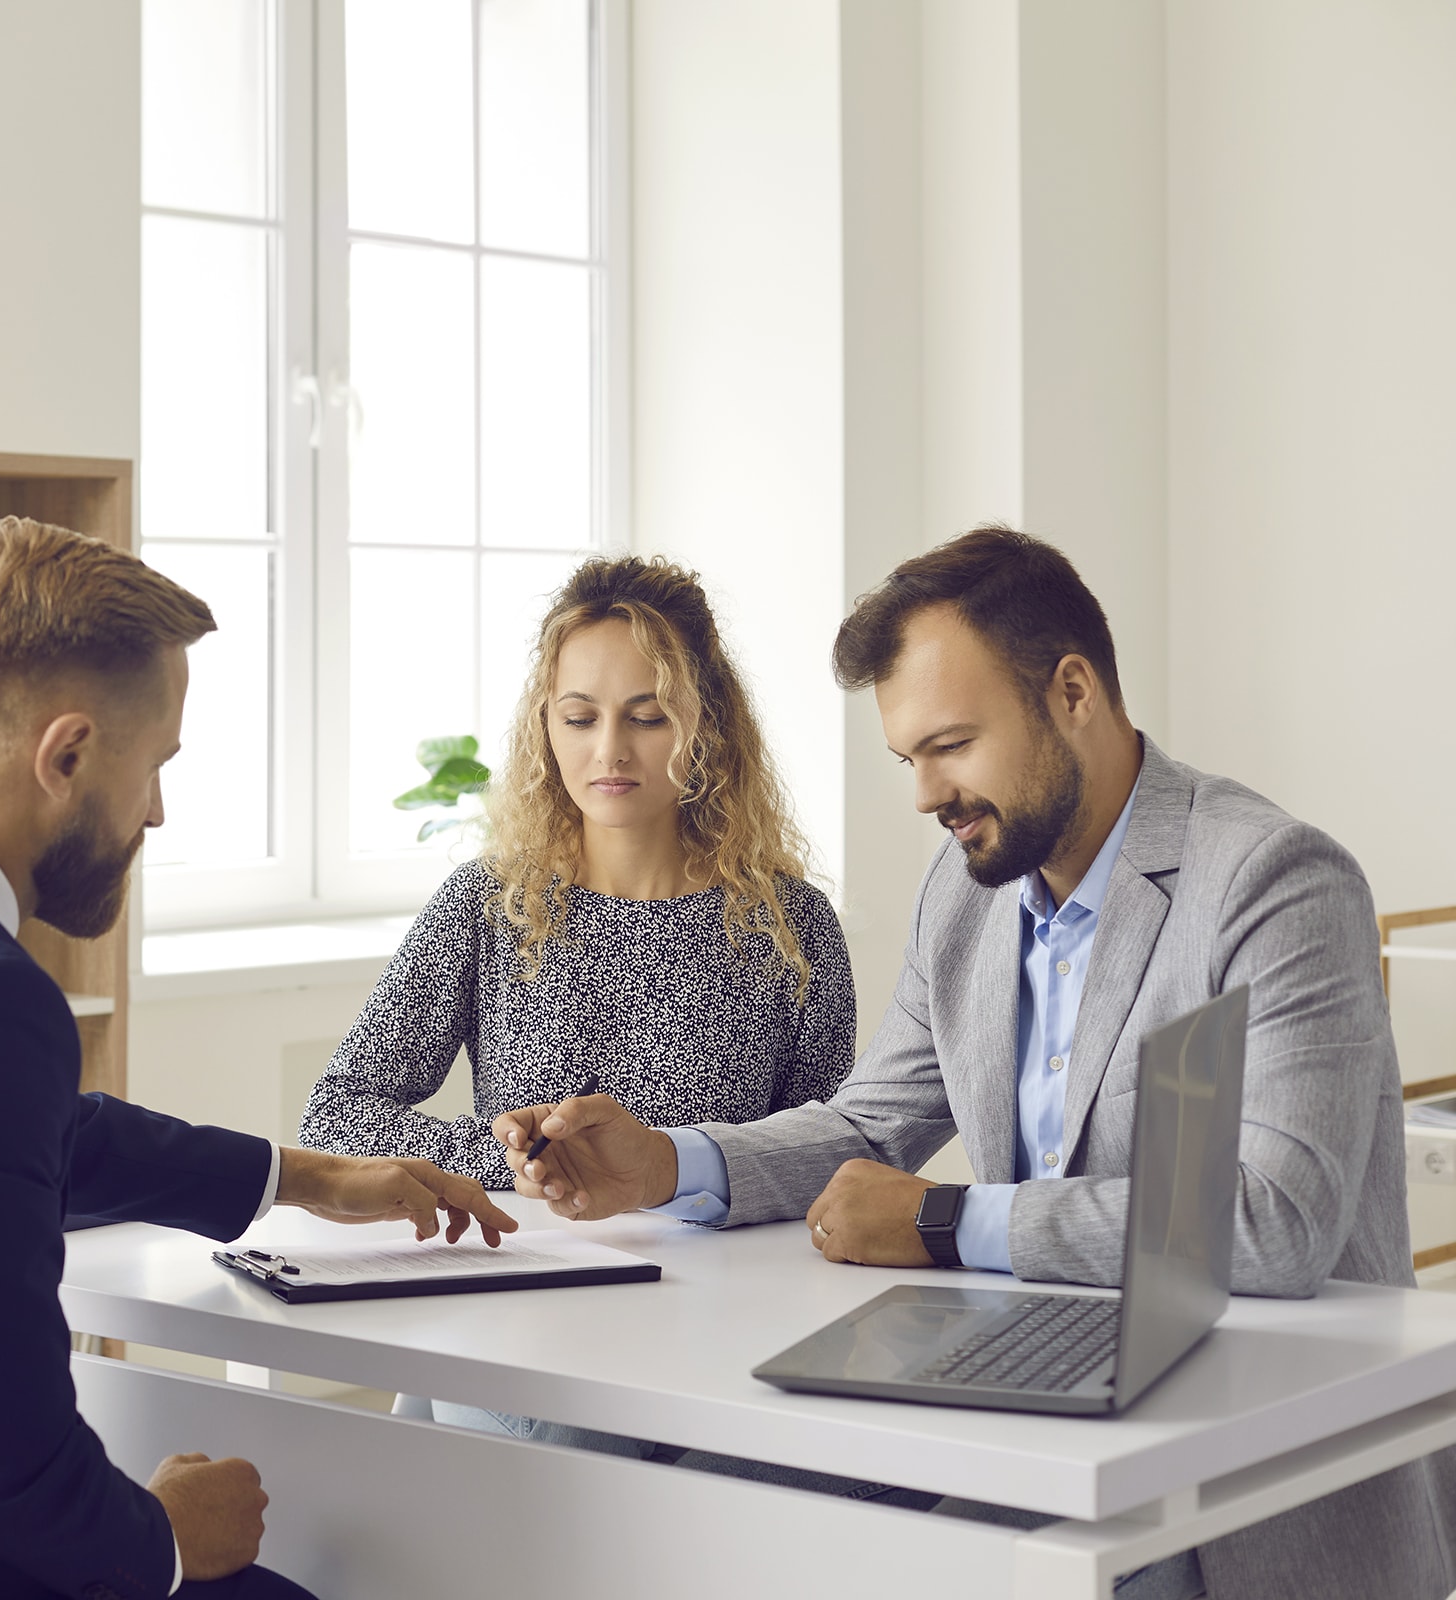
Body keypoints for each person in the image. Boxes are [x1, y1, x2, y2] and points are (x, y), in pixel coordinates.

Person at [494, 527, 1456, 1600]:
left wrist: (944, 1222)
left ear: (1073, 692)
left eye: (950, 744)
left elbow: (1275, 1220)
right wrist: (664, 1166)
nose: (923, 793)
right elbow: (864, 1127)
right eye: (908, 757)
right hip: (1030, 1394)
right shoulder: (965, 896)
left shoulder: (1273, 881)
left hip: (1247, 1471)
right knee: (707, 1511)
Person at [0, 518, 518, 1600]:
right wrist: (163, 1534)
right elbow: (1, 1477)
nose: (156, 811)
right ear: (66, 754)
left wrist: (303, 1176)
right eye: (154, 765)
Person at [298, 553, 855, 1458]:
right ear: (544, 730)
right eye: (580, 717)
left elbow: (821, 1159)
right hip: (527, 1312)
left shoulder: (792, 928)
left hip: (716, 1325)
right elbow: (337, 1112)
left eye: (648, 715)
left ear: (706, 725)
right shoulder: (488, 906)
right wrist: (506, 1159)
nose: (611, 752)